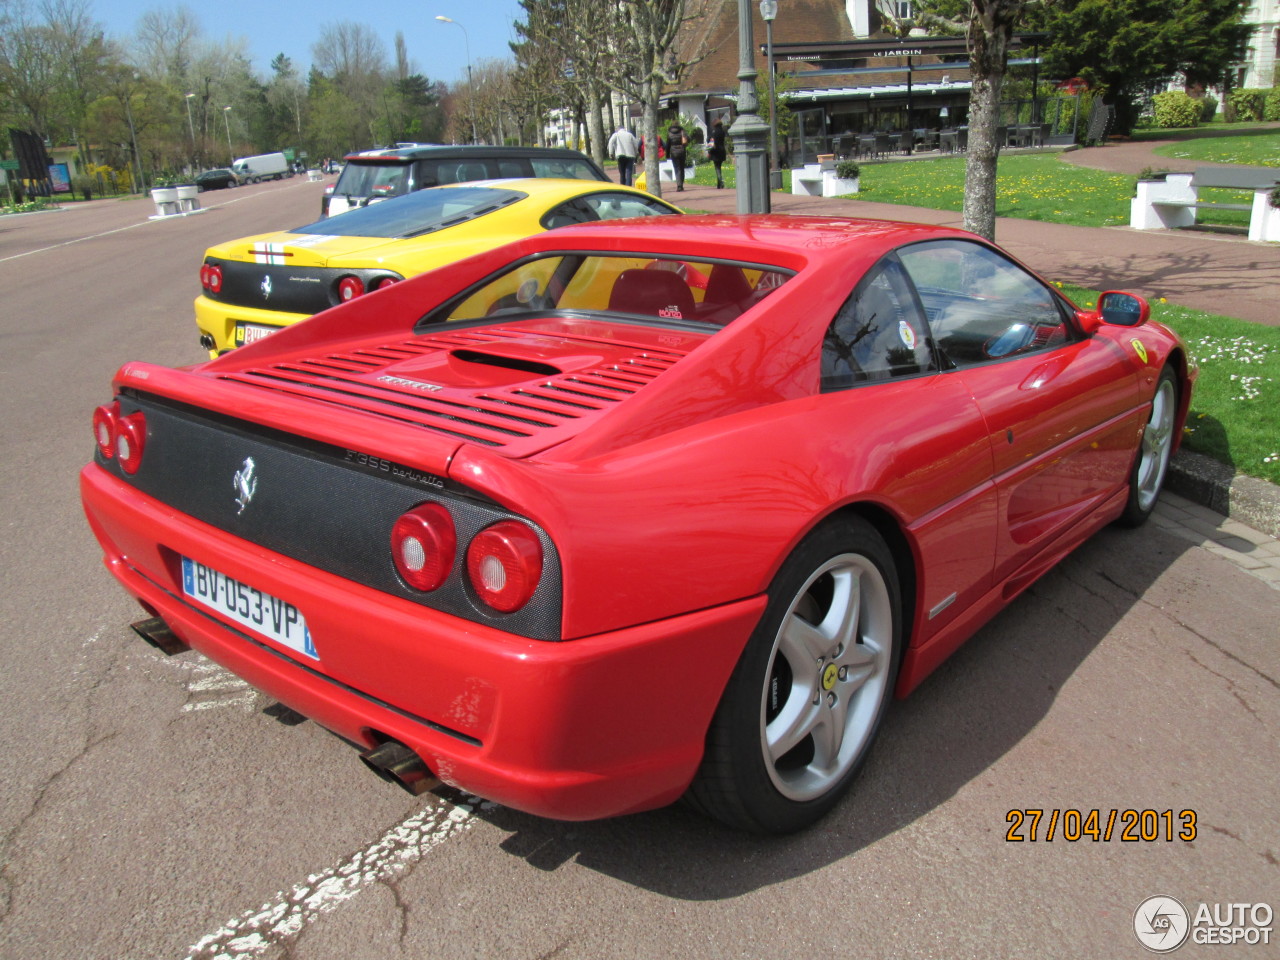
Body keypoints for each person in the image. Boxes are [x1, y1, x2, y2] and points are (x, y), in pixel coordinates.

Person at [664, 122, 689, 192]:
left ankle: (679, 185)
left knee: (677, 169)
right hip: (682, 151)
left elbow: (668, 144)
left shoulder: (669, 133)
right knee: (682, 168)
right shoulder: (682, 131)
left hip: (674, 152)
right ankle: (681, 184)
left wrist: (667, 154)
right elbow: (688, 139)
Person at [708, 118, 728, 189]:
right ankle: (719, 184)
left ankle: (720, 182)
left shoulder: (714, 132)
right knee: (719, 167)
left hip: (715, 152)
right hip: (722, 151)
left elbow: (710, 140)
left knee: (717, 168)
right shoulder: (722, 131)